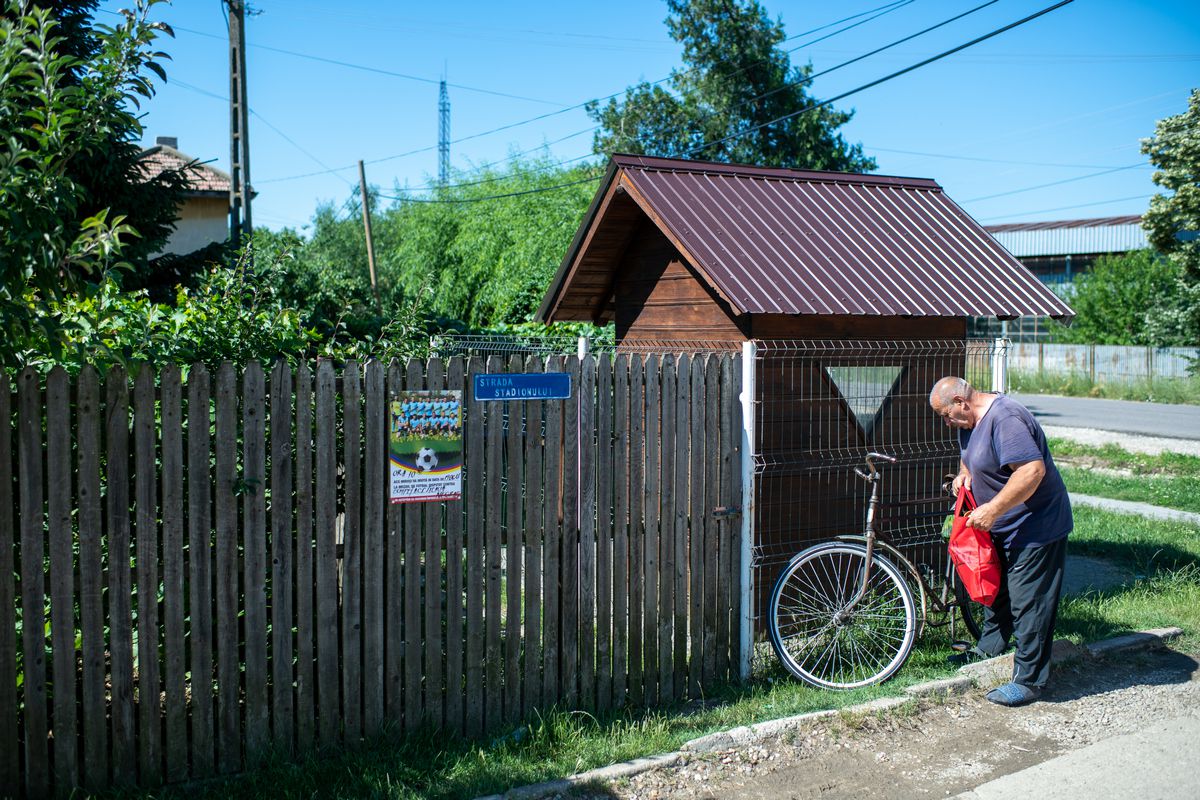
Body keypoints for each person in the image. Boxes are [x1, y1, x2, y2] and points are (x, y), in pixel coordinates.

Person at [929, 376, 1073, 707]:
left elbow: (1031, 472)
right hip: (1002, 526)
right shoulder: (970, 422)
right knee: (997, 591)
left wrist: (993, 509)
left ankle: (1030, 680)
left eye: (946, 415)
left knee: (1029, 602)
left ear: (961, 403)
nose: (947, 423)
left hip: (1035, 525)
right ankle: (988, 649)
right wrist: (965, 476)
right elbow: (972, 455)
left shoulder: (1006, 419)